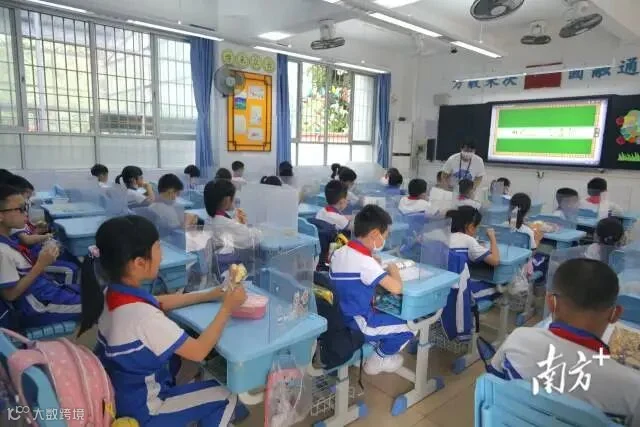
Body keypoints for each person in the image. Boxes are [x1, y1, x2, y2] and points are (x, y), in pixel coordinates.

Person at [79, 215, 244, 425]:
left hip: (123, 395)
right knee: (226, 395)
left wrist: (209, 294)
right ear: (139, 263)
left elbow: (160, 302)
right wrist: (227, 307)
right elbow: (198, 350)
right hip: (148, 409)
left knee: (187, 364)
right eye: (158, 248)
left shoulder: (111, 294)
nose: (162, 255)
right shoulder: (142, 317)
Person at [490, 258, 640, 425]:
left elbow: (491, 385)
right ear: (615, 314)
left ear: (551, 302)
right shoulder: (633, 391)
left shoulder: (518, 340)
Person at [330, 204, 415, 375]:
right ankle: (379, 360)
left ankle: (369, 351)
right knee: (411, 326)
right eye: (385, 236)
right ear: (375, 234)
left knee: (388, 314)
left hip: (342, 316)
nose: (385, 240)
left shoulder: (340, 251)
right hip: (360, 322)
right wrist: (393, 269)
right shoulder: (365, 263)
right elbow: (397, 288)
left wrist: (372, 262)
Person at [0, 185, 81, 328]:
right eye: (21, 209)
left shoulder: (8, 239)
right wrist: (41, 265)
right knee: (99, 304)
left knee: (94, 293)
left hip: (45, 292)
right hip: (37, 306)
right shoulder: (2, 252)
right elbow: (10, 295)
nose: (26, 214)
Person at [447, 206, 500, 302]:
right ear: (471, 227)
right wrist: (492, 237)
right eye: (477, 228)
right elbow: (495, 260)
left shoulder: (443, 234)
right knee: (497, 288)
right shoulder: (468, 240)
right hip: (460, 292)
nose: (476, 231)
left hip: (444, 287)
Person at [204, 179, 261, 254]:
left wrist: (236, 222)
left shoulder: (211, 218)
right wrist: (259, 230)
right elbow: (253, 237)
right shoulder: (225, 223)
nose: (235, 200)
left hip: (213, 257)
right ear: (227, 200)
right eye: (234, 197)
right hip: (226, 259)